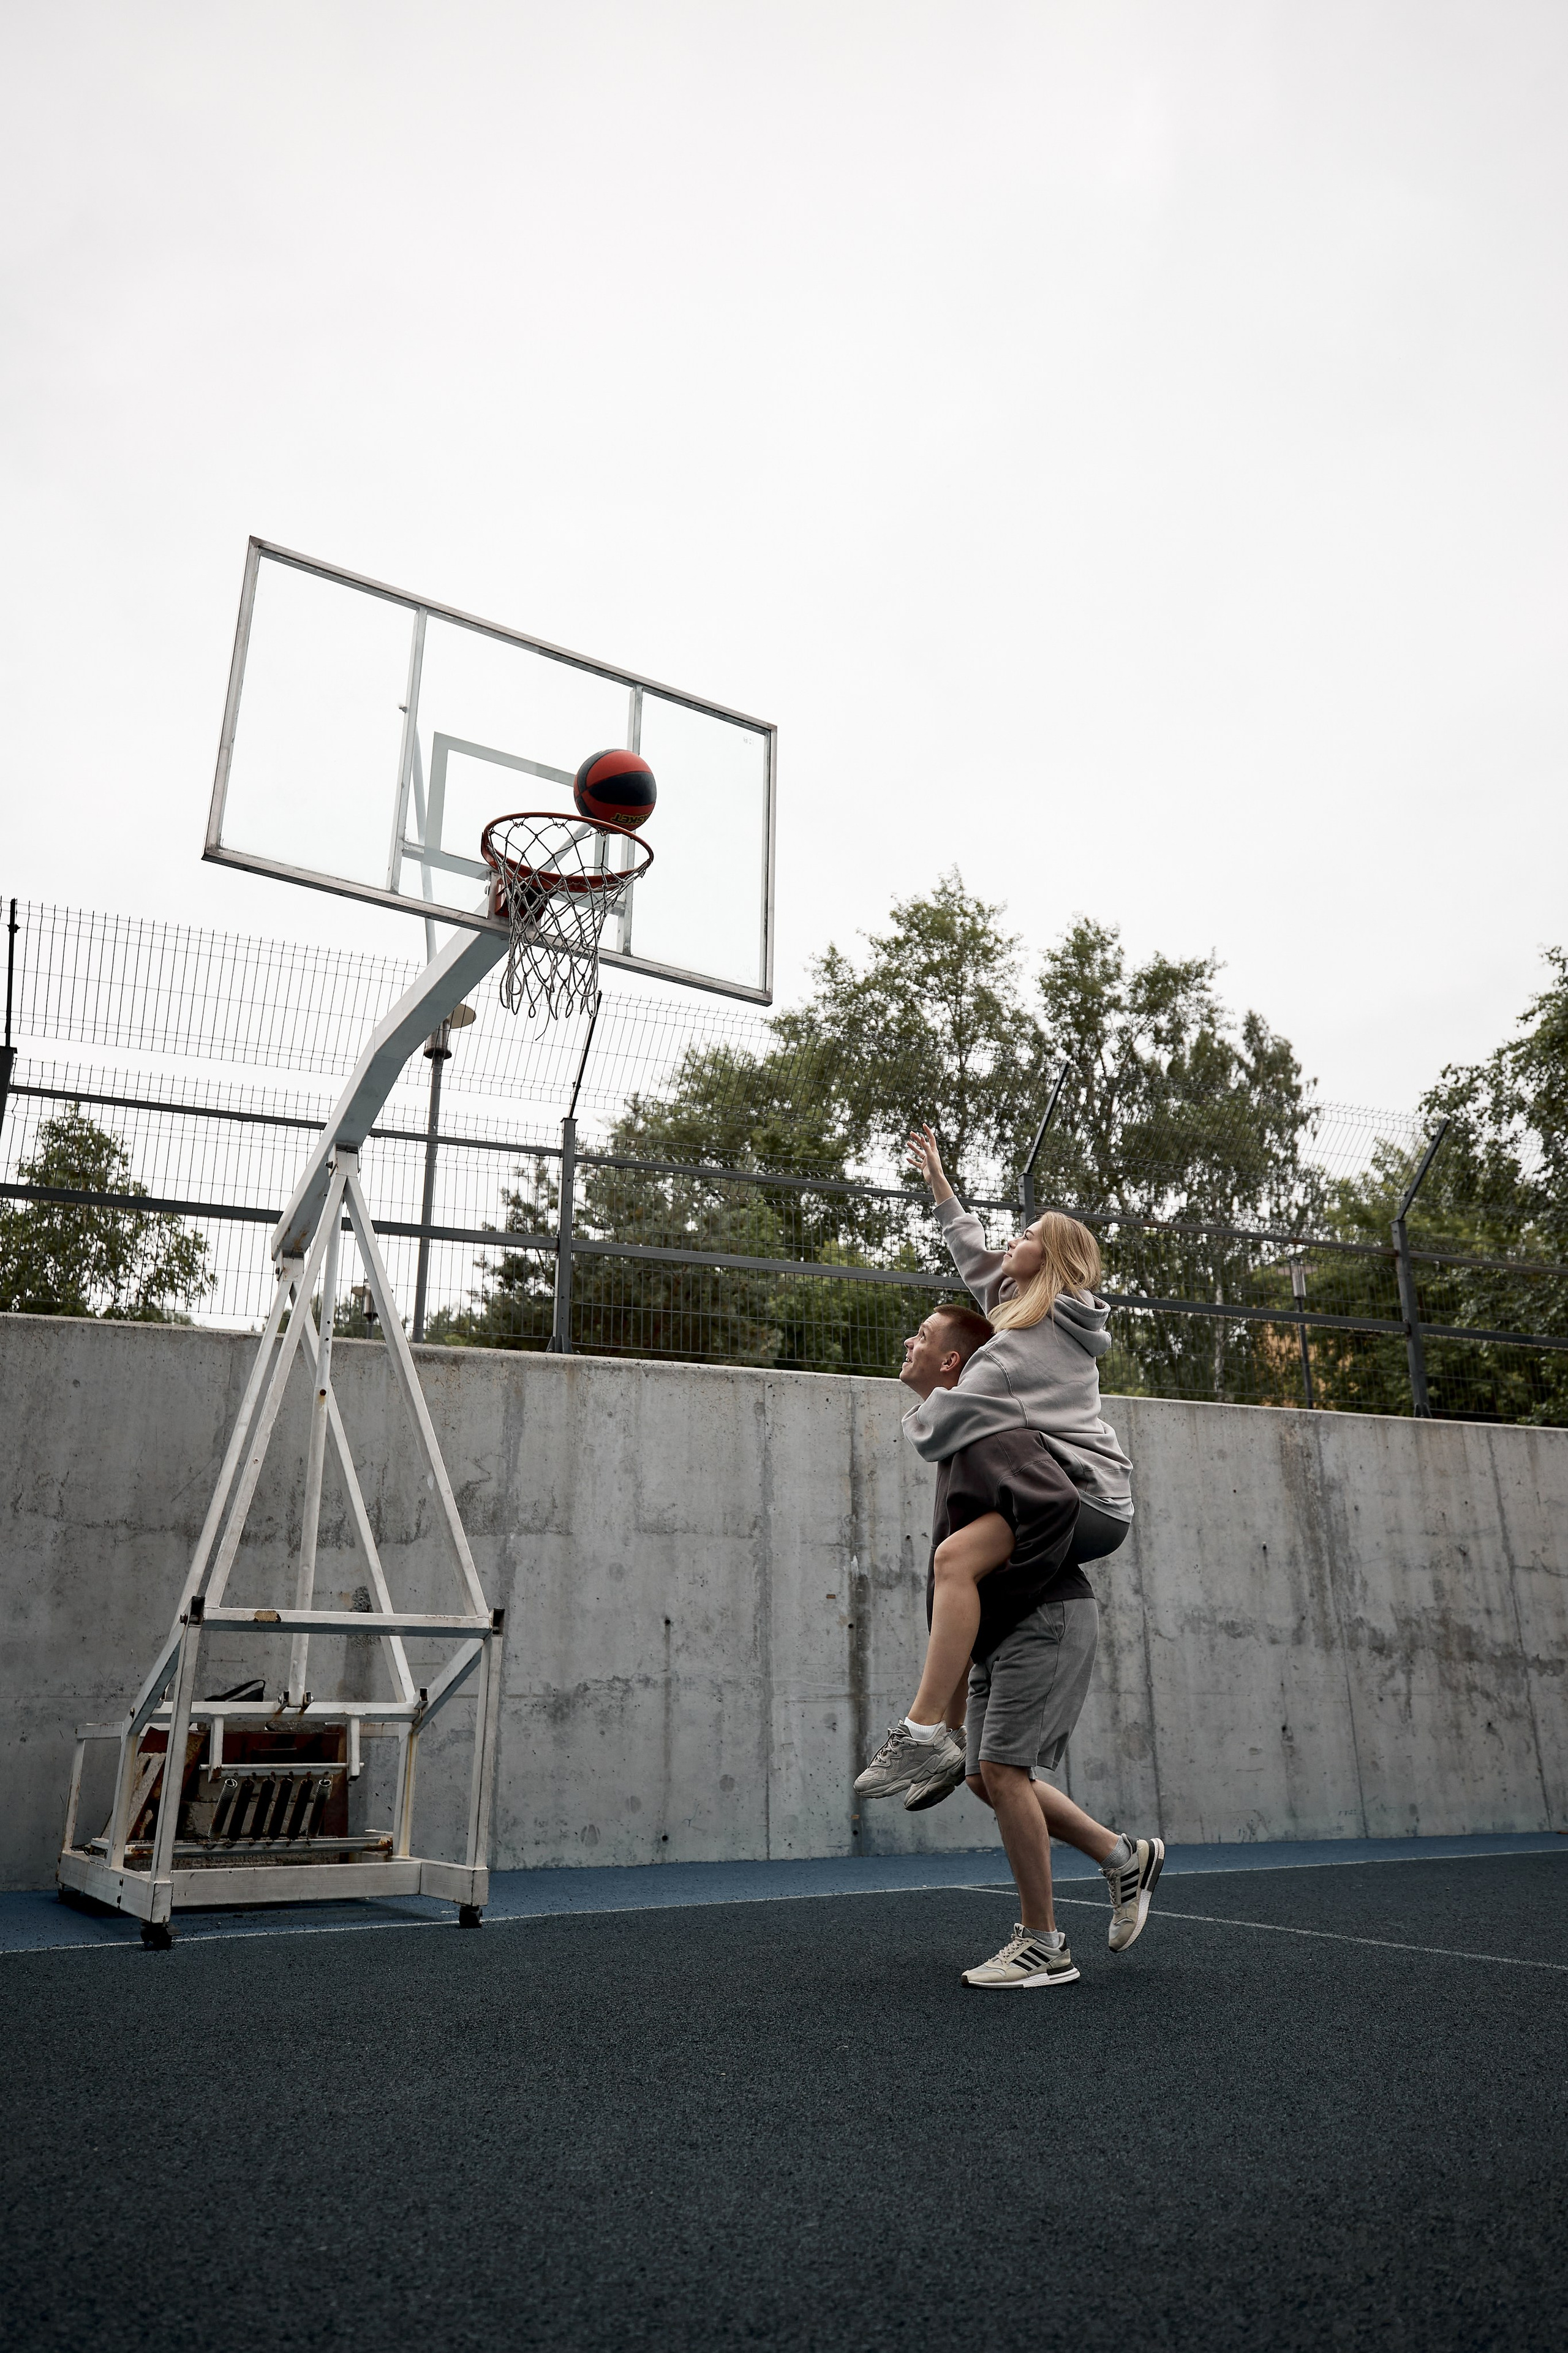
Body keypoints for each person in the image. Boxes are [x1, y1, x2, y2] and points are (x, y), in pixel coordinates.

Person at [855, 1125, 1164, 1987]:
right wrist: (942, 1185)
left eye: (1027, 1234)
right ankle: (1121, 1853)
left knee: (956, 1562)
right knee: (996, 1776)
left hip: (1091, 1499)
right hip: (1059, 1519)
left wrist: (925, 1405)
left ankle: (930, 1737)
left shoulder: (1030, 1344)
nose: (1009, 1240)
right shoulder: (1011, 1306)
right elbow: (970, 1253)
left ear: (1054, 1260)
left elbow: (944, 1420)